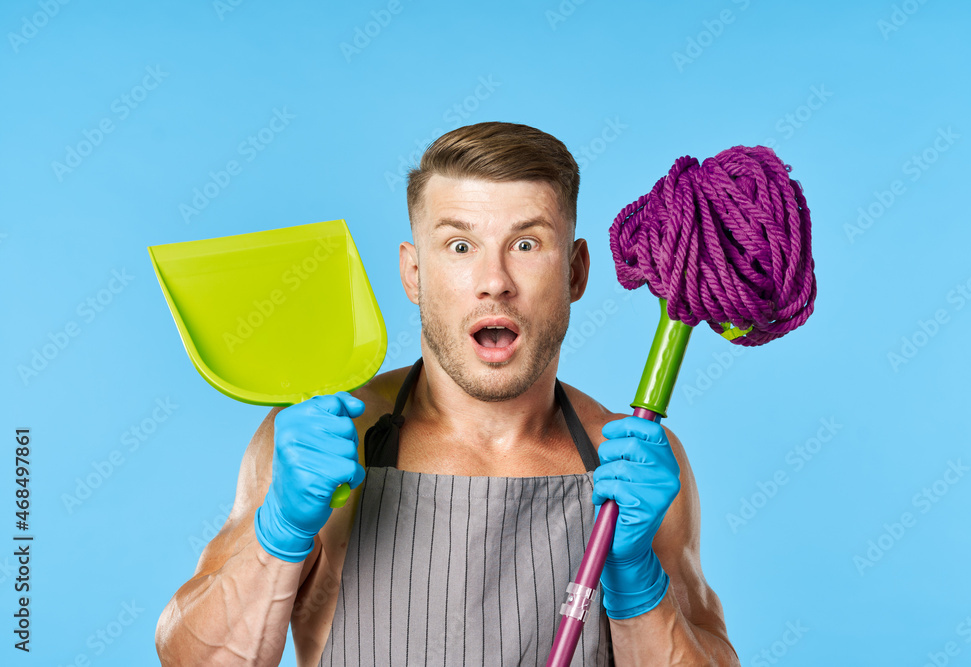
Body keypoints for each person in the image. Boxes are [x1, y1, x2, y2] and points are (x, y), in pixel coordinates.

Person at [155, 122, 739, 666]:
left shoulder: (630, 463)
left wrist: (638, 582)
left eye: (527, 244)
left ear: (576, 272)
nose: (495, 282)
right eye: (460, 246)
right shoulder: (327, 439)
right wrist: (279, 532)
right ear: (414, 274)